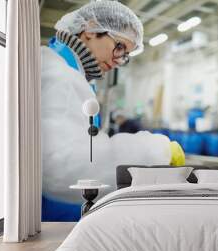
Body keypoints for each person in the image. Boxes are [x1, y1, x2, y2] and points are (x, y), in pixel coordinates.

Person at [41, 1, 181, 207]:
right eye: (119, 47)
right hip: (51, 214)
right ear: (89, 29)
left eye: (125, 55)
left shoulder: (68, 73)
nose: (118, 60)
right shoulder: (58, 76)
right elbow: (64, 167)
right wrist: (155, 150)